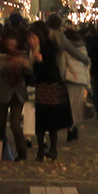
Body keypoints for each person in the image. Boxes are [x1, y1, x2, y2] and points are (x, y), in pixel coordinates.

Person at [31, 18, 73, 159]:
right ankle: (41, 149)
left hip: (51, 87)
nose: (30, 40)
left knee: (51, 119)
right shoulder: (33, 49)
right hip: (42, 87)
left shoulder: (48, 48)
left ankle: (52, 148)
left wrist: (39, 62)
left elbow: (49, 70)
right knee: (40, 119)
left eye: (33, 36)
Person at [0, 26, 31, 161]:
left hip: (18, 93)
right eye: (8, 40)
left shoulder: (23, 54)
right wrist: (9, 63)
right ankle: (0, 153)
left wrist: (24, 63)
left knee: (15, 124)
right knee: (0, 125)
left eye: (13, 40)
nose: (10, 43)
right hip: (2, 93)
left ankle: (22, 153)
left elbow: (29, 71)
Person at [60, 20, 92, 140]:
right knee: (78, 107)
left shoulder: (65, 50)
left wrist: (62, 78)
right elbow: (87, 65)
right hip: (81, 80)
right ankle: (76, 127)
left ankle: (70, 129)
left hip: (71, 79)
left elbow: (63, 65)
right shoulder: (82, 48)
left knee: (70, 108)